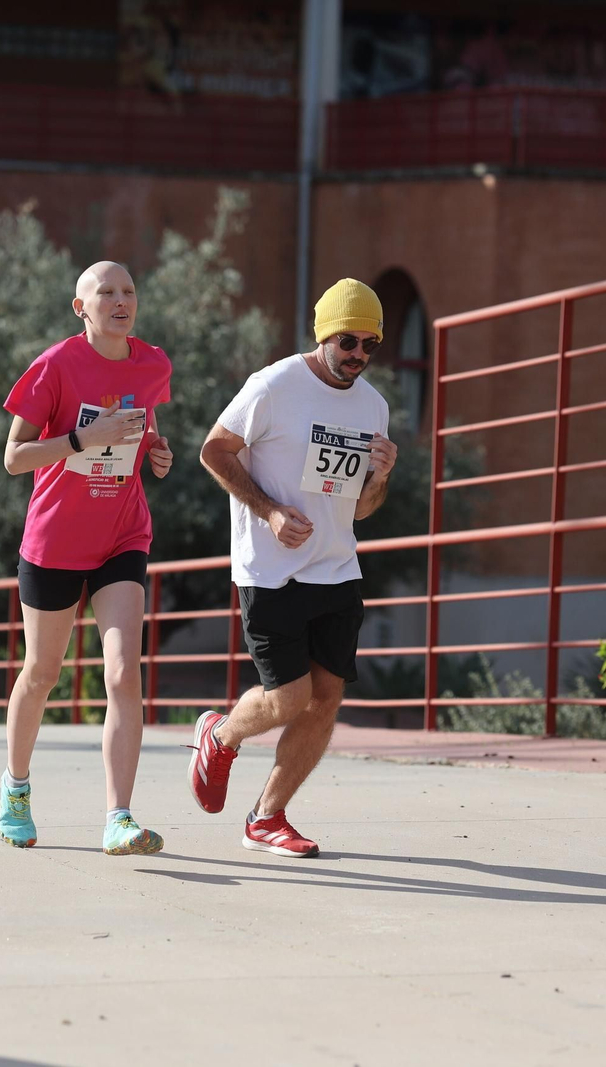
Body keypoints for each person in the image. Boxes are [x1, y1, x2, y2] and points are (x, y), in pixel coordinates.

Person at [189, 277, 399, 857]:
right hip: (271, 570)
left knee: (326, 698)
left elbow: (361, 508)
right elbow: (214, 450)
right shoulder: (275, 384)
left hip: (336, 569)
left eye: (370, 345)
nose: (359, 355)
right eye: (349, 341)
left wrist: (380, 477)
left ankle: (267, 816)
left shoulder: (373, 406)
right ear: (325, 334)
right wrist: (271, 512)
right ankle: (221, 734)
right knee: (286, 699)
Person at [0, 261, 174, 856]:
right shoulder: (55, 366)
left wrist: (156, 450)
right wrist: (82, 440)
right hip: (54, 542)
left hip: (123, 535)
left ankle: (118, 817)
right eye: (107, 292)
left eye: (129, 290)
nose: (120, 300)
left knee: (123, 671)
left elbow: (147, 426)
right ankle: (16, 788)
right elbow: (14, 457)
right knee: (43, 673)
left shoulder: (154, 365)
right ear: (82, 307)